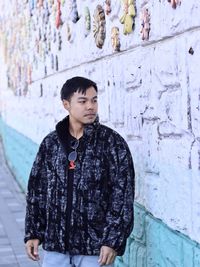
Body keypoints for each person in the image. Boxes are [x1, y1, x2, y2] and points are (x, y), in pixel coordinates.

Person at [24, 76, 135, 267]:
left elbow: (122, 195)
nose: (90, 106)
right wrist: (33, 232)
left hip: (95, 249)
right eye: (83, 101)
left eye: (94, 100)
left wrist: (111, 240)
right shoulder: (51, 144)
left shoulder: (112, 143)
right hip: (56, 247)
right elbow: (37, 190)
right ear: (66, 104)